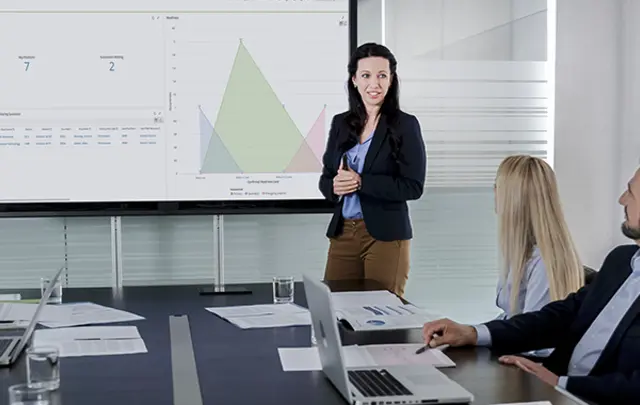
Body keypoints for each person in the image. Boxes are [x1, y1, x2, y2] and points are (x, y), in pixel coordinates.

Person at [421, 167, 640, 405]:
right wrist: (474, 333)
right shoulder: (621, 261)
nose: (621, 199)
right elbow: (560, 317)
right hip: (552, 390)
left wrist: (559, 383)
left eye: (630, 193)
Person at [318, 42, 426, 296]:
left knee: (382, 315)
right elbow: (326, 177)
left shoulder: (405, 125)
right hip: (343, 233)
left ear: (391, 80)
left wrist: (361, 182)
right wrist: (333, 186)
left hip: (385, 236)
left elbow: (413, 186)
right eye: (366, 76)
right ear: (354, 80)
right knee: (336, 311)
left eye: (382, 75)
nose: (374, 84)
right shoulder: (341, 123)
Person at [491, 155, 584, 349]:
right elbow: (510, 318)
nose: (493, 193)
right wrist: (471, 333)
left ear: (513, 199)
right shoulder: (521, 253)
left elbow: (534, 337)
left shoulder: (545, 262)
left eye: (497, 187)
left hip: (530, 369)